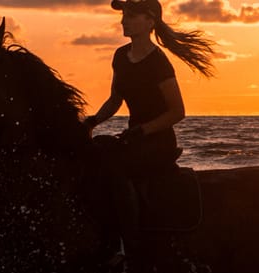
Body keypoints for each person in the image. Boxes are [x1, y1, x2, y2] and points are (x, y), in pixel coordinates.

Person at [83, 0, 216, 179]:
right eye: (123, 16)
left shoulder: (158, 62)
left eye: (131, 16)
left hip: (158, 142)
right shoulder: (120, 56)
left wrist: (142, 130)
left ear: (150, 22)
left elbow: (177, 112)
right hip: (133, 138)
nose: (123, 21)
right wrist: (91, 122)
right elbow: (115, 100)